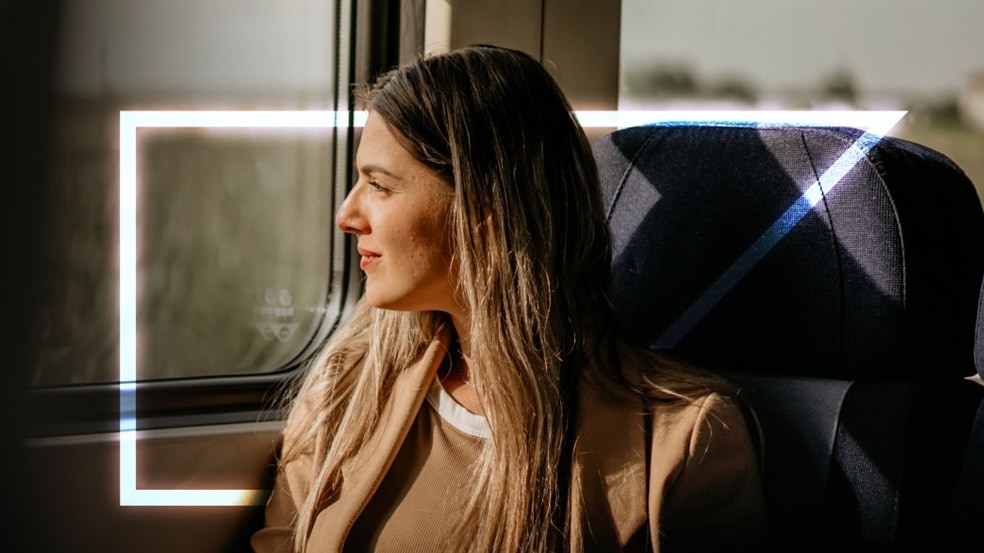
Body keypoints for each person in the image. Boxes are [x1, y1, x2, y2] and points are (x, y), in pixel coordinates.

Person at [251, 44, 765, 553]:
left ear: (483, 209)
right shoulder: (347, 387)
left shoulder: (682, 439)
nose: (347, 215)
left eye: (379, 186)